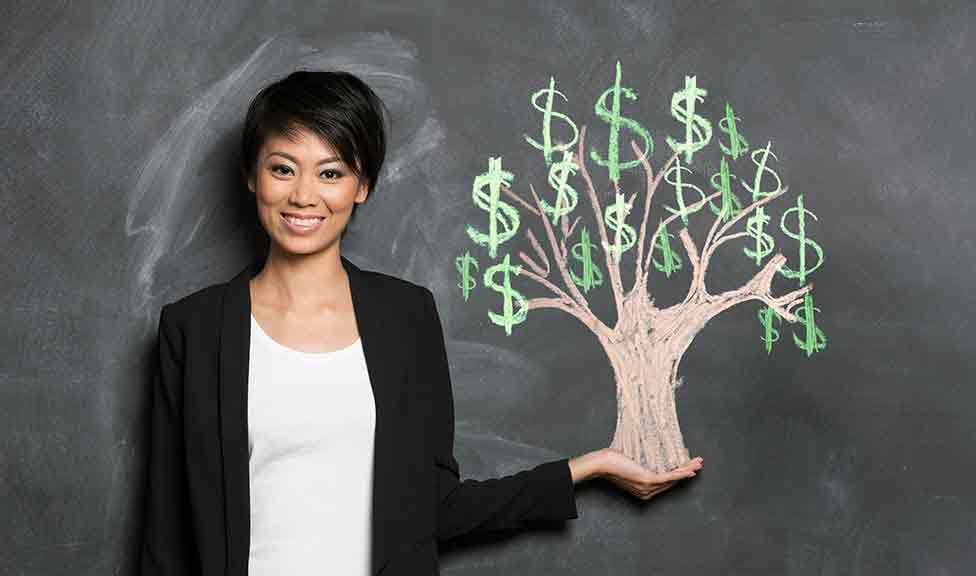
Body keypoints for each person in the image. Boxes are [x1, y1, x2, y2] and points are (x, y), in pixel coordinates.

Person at [141, 69, 703, 576]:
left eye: (331, 172)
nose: (303, 195)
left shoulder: (405, 318)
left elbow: (434, 505)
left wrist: (587, 469)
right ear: (252, 177)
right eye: (283, 169)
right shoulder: (194, 329)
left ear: (362, 186)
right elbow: (167, 538)